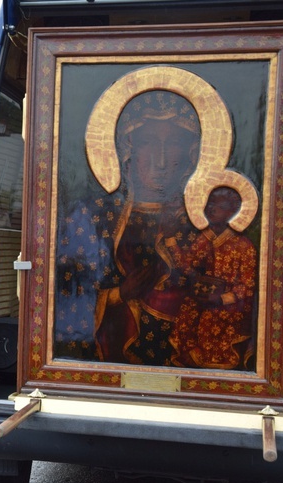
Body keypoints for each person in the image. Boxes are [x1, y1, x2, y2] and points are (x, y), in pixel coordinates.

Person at [55, 90, 202, 366]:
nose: (160, 161)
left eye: (172, 144)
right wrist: (119, 294)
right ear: (127, 149)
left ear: (190, 153)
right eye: (148, 143)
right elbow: (67, 290)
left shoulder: (199, 220)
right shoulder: (92, 215)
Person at [168, 186, 257, 369]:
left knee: (212, 319)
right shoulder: (204, 238)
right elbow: (188, 265)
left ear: (234, 212)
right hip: (204, 299)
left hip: (229, 307)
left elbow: (247, 285)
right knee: (187, 310)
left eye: (220, 205)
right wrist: (171, 242)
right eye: (210, 203)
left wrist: (222, 299)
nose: (212, 209)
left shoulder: (243, 246)